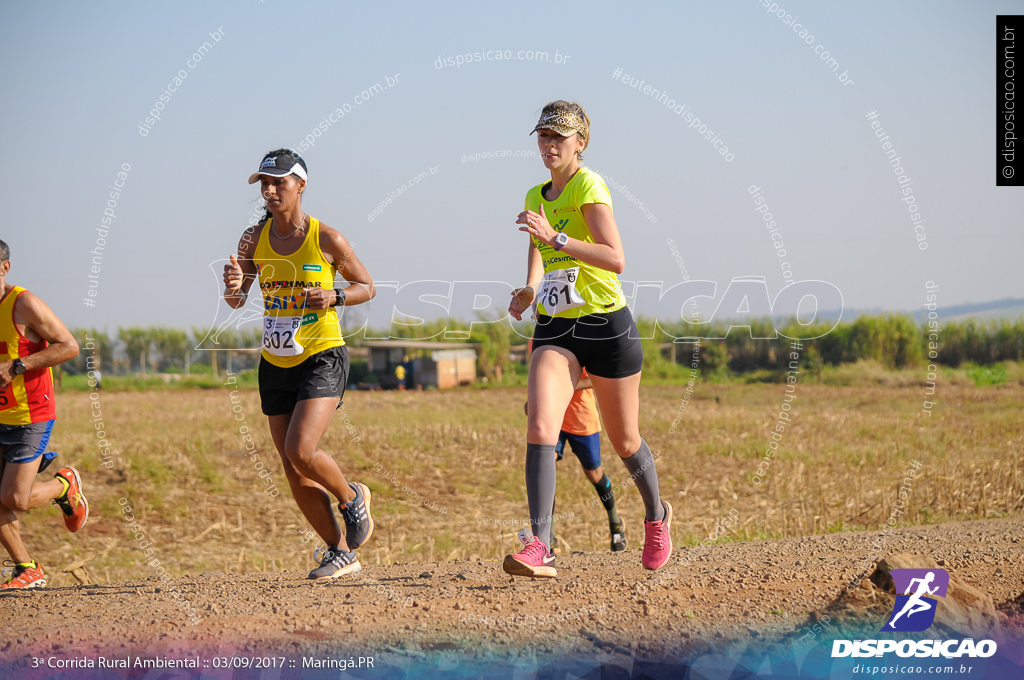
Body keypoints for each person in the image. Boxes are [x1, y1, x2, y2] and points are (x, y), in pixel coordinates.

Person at [504, 102, 672, 579]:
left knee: (624, 441)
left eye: (559, 136)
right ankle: (541, 545)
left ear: (581, 143)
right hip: (556, 327)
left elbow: (615, 258)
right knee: (541, 425)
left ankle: (657, 516)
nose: (548, 144)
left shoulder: (588, 185)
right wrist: (530, 289)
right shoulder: (536, 193)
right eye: (542, 135)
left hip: (604, 325)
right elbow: (538, 253)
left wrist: (558, 238)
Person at [223, 150, 376, 580]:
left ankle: (351, 497)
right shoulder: (252, 240)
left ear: (301, 186)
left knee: (301, 449)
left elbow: (367, 286)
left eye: (279, 183)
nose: (270, 191)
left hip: (322, 354)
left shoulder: (328, 239)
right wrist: (233, 286)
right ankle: (339, 551)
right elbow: (237, 300)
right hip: (275, 359)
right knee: (293, 469)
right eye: (264, 184)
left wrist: (335, 296)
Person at [0, 239, 85, 589]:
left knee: (14, 498)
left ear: (4, 267)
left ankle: (64, 486)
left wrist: (17, 366)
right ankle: (26, 568)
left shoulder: (23, 303)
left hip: (30, 413)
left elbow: (69, 346)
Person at [524, 337, 626, 552]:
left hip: (582, 420)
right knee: (545, 467)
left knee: (594, 474)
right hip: (554, 417)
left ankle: (615, 522)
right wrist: (535, 400)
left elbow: (595, 379)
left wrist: (559, 386)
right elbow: (539, 377)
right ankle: (547, 539)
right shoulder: (536, 340)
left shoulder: (579, 336)